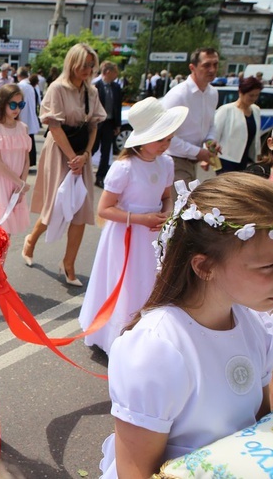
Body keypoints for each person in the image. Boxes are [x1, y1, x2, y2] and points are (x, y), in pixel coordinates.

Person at [98, 173, 273, 478]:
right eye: (269, 267)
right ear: (204, 266)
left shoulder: (254, 323)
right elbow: (137, 472)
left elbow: (259, 425)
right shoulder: (157, 348)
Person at [78, 97, 182, 354]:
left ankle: (146, 335)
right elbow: (104, 209)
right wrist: (140, 219)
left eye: (168, 139)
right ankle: (115, 336)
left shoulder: (166, 163)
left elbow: (166, 196)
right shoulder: (124, 168)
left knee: (149, 281)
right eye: (160, 139)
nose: (165, 145)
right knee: (124, 283)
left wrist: (167, 214)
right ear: (143, 139)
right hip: (125, 235)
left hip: (152, 236)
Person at [22, 43, 106, 285]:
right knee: (55, 206)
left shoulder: (92, 92)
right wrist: (73, 158)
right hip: (60, 152)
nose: (88, 69)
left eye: (92, 65)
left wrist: (87, 155)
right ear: (72, 63)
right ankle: (31, 240)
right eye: (84, 64)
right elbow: (54, 126)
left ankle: (68, 263)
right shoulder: (57, 88)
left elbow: (93, 126)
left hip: (81, 154)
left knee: (80, 208)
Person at [161, 47, 221, 186]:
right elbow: (164, 135)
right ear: (192, 67)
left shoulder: (213, 93)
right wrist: (197, 152)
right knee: (182, 206)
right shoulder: (178, 95)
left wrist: (211, 140)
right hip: (174, 160)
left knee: (187, 205)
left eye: (215, 64)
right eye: (206, 65)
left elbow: (211, 123)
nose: (212, 69)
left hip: (192, 161)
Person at [0, 84, 32, 236]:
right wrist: (20, 183)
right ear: (2, 104)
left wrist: (21, 185)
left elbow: (26, 160)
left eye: (20, 104)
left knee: (8, 232)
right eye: (13, 105)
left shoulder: (23, 127)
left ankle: (2, 261)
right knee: (0, 230)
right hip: (0, 182)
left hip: (17, 183)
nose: (17, 108)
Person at [214, 76, 263, 173]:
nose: (254, 98)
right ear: (240, 92)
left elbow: (256, 138)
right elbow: (213, 135)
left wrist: (258, 154)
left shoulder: (256, 110)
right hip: (225, 159)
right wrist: (209, 157)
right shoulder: (226, 110)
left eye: (256, 95)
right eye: (251, 95)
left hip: (245, 159)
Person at [93, 61, 123, 188]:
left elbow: (118, 106)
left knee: (106, 151)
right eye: (115, 72)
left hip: (109, 123)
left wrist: (118, 125)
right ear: (108, 72)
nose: (117, 75)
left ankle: (100, 176)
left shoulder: (116, 87)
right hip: (96, 123)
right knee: (91, 148)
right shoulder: (95, 86)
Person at [16, 68, 40, 163]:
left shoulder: (20, 86)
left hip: (22, 116)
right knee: (29, 139)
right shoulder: (30, 86)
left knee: (23, 141)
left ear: (19, 76)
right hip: (29, 116)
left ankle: (24, 162)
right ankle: (30, 161)